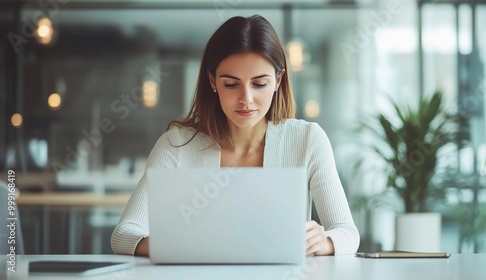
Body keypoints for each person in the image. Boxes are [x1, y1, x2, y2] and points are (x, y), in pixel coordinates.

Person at [111, 14, 359, 257]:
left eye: (259, 84)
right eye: (231, 84)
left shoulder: (307, 140)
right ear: (213, 81)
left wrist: (324, 241)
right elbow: (124, 235)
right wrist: (181, 246)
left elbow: (347, 233)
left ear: (278, 80)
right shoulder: (176, 145)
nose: (246, 99)